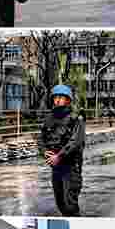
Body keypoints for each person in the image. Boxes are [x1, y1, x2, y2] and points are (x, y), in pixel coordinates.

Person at [39, 84, 86, 216]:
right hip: (56, 167)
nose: (58, 100)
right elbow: (41, 138)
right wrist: (44, 151)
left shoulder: (76, 119)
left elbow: (75, 142)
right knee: (60, 202)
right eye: (55, 97)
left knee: (70, 204)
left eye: (61, 97)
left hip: (71, 166)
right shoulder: (49, 118)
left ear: (68, 100)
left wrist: (59, 155)